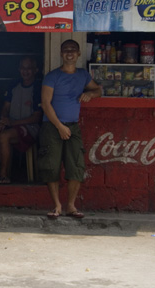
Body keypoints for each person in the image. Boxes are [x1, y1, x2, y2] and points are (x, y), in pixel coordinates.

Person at [39, 39, 101, 220]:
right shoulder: (52, 76)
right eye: (66, 50)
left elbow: (98, 90)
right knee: (51, 166)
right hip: (52, 126)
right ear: (61, 53)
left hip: (73, 126)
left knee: (76, 166)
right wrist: (59, 126)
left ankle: (71, 206)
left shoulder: (83, 75)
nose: (69, 53)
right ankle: (57, 206)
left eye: (73, 50)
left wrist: (90, 93)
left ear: (79, 54)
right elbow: (45, 103)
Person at [0, 56, 42, 184]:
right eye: (22, 68)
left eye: (29, 68)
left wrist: (12, 123)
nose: (25, 71)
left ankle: (4, 174)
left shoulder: (38, 87)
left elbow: (36, 117)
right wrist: (3, 120)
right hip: (11, 124)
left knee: (4, 136)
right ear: (18, 69)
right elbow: (6, 107)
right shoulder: (14, 85)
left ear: (36, 70)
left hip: (30, 127)